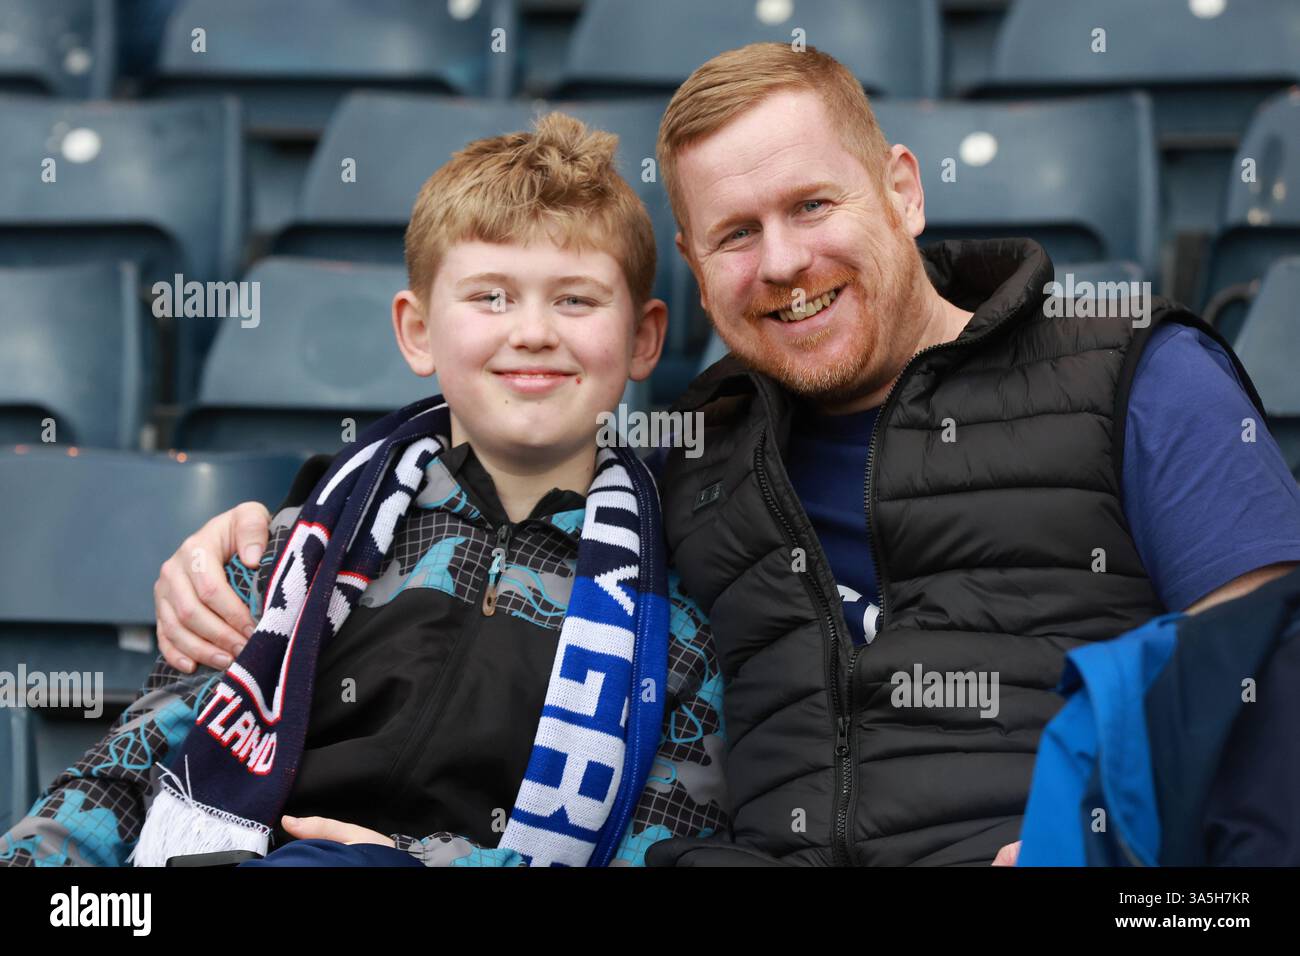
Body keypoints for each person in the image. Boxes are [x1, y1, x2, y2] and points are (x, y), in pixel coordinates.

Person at [151, 43, 1300, 867]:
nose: (784, 261)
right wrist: (252, 535)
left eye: (812, 205)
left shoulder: (1134, 376)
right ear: (698, 274)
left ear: (900, 189)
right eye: (737, 235)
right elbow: (479, 547)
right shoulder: (679, 461)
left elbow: (1260, 676)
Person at [0, 112, 728, 868]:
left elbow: (663, 849)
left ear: (644, 338)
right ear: (417, 331)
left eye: (575, 300)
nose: (534, 332)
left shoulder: (674, 616)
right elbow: (127, 773)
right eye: (491, 298)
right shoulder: (296, 552)